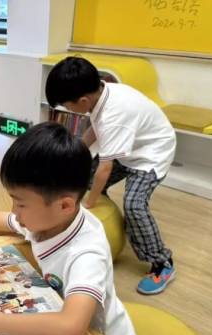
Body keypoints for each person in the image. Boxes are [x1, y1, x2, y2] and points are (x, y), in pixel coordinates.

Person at [0, 122, 140, 335]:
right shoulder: (46, 220)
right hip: (57, 311)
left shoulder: (87, 254)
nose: (14, 212)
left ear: (65, 206)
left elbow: (70, 329)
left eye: (20, 204)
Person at [45, 57, 176, 295]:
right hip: (130, 146)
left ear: (83, 101)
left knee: (134, 205)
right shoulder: (101, 94)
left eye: (67, 106)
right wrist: (75, 152)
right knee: (84, 179)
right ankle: (112, 228)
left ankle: (162, 263)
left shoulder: (115, 115)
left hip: (151, 155)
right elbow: (95, 130)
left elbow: (105, 169)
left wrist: (90, 203)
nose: (67, 110)